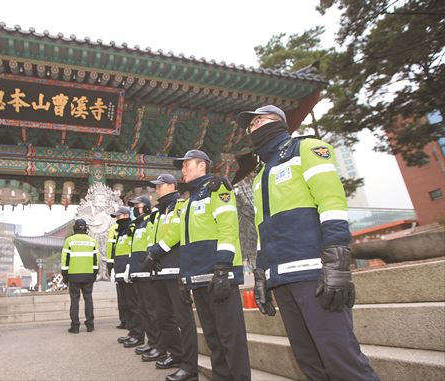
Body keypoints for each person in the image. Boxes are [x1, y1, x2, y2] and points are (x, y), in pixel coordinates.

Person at [237, 105, 380, 381]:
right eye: (250, 125)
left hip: (315, 274)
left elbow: (332, 203)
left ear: (278, 122)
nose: (253, 127)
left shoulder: (308, 149)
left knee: (343, 361)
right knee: (309, 363)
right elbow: (260, 229)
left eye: (259, 120)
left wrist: (337, 259)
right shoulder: (260, 175)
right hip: (281, 279)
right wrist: (261, 274)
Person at [148, 149, 250, 381]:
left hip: (218, 276)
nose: (183, 170)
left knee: (230, 339)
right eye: (182, 166)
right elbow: (183, 241)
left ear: (202, 166)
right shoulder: (188, 202)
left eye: (187, 165)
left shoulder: (218, 189)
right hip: (197, 278)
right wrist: (182, 275)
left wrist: (223, 267)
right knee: (213, 338)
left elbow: (228, 227)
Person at [144, 174, 199, 374]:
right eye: (156, 186)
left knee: (183, 320)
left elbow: (176, 231)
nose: (156, 189)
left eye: (160, 186)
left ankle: (190, 366)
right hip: (159, 272)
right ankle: (175, 355)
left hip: (176, 270)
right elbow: (153, 237)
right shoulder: (158, 212)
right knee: (164, 317)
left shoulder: (180, 205)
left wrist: (155, 251)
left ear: (172, 186)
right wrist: (151, 254)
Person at [126, 195, 162, 357]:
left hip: (147, 272)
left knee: (152, 310)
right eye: (134, 206)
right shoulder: (137, 224)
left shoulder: (150, 221)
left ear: (146, 206)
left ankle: (157, 344)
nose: (135, 208)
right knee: (143, 310)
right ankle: (151, 342)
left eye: (138, 205)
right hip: (137, 272)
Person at [112, 207, 143, 346]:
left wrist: (129, 267)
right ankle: (131, 332)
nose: (117, 218)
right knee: (126, 305)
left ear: (125, 215)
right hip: (120, 272)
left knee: (134, 304)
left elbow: (132, 248)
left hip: (128, 271)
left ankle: (138, 334)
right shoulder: (120, 231)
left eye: (118, 216)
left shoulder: (131, 228)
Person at [61, 219, 98, 333]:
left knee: (74, 300)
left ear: (75, 228)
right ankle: (90, 325)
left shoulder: (69, 241)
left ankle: (75, 326)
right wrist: (94, 274)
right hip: (88, 275)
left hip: (73, 275)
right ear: (86, 228)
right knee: (88, 298)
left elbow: (64, 260)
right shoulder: (92, 241)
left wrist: (65, 275)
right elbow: (96, 260)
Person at [105, 218, 126, 329]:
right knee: (125, 296)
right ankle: (126, 321)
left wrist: (110, 264)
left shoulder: (114, 229)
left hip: (119, 265)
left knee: (123, 297)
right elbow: (110, 247)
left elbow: (110, 249)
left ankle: (124, 321)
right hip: (122, 265)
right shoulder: (132, 226)